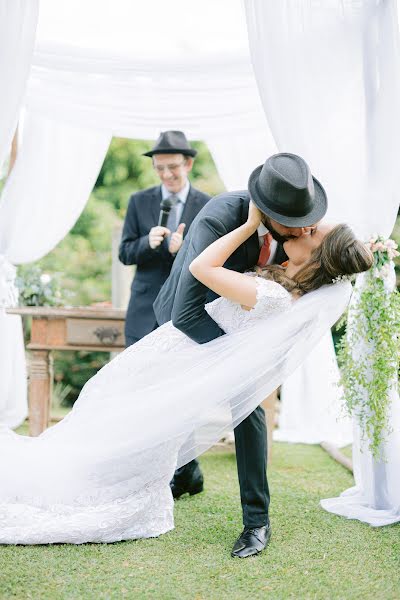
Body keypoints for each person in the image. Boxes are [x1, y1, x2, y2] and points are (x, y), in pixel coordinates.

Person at [0, 198, 372, 547]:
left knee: (122, 424)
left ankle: (251, 518)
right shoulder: (270, 265)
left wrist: (249, 226)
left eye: (314, 233)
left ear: (318, 259)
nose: (306, 228)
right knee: (119, 422)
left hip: (179, 357)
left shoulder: (275, 297)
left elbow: (202, 269)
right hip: (177, 339)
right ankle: (170, 477)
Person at [154, 152, 328, 556]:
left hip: (241, 324)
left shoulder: (301, 228)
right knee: (174, 402)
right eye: (298, 221)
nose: (309, 227)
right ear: (266, 213)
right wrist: (238, 355)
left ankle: (256, 523)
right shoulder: (220, 219)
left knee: (248, 405)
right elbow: (186, 310)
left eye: (310, 217)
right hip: (184, 318)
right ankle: (187, 471)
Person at [119, 130, 210, 346]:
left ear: (188, 164)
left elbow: (213, 257)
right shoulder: (138, 201)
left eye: (173, 167)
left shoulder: (207, 204)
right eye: (160, 168)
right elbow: (124, 253)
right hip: (142, 313)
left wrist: (183, 250)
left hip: (185, 312)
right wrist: (146, 243)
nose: (167, 174)